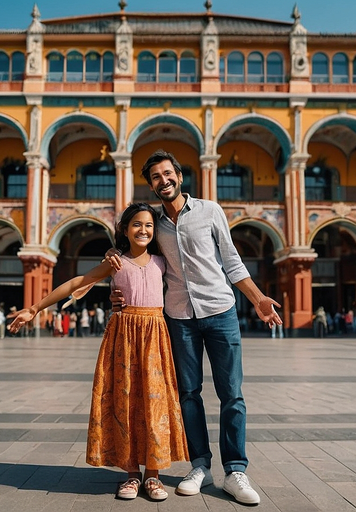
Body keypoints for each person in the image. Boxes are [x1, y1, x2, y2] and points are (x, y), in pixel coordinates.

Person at [107, 150, 282, 506]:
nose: (163, 180)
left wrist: (258, 298)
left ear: (180, 176)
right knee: (188, 393)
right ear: (151, 184)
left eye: (167, 173)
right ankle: (200, 465)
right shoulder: (153, 222)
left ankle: (235, 469)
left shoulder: (210, 210)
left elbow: (232, 260)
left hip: (220, 310)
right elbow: (137, 254)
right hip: (179, 317)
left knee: (231, 393)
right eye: (156, 177)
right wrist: (115, 270)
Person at [7, 203, 188, 501]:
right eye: (136, 224)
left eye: (149, 225)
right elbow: (78, 282)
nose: (143, 230)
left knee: (155, 403)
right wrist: (34, 308)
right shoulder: (115, 262)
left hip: (155, 336)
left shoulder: (163, 261)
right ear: (124, 229)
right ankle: (131, 475)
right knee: (125, 401)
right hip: (123, 337)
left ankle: (153, 475)